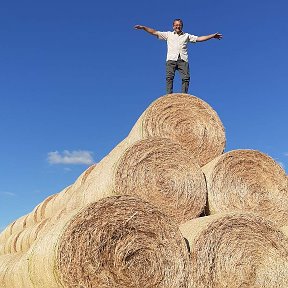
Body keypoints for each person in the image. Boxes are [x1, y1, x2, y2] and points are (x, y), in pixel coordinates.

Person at [134, 19, 222, 94]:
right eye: (176, 25)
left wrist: (212, 36)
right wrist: (143, 28)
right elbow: (154, 32)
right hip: (171, 59)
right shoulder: (168, 35)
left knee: (186, 78)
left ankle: (183, 97)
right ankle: (169, 97)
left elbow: (199, 38)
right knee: (169, 78)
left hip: (183, 60)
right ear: (173, 26)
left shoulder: (186, 36)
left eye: (179, 25)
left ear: (182, 26)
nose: (178, 26)